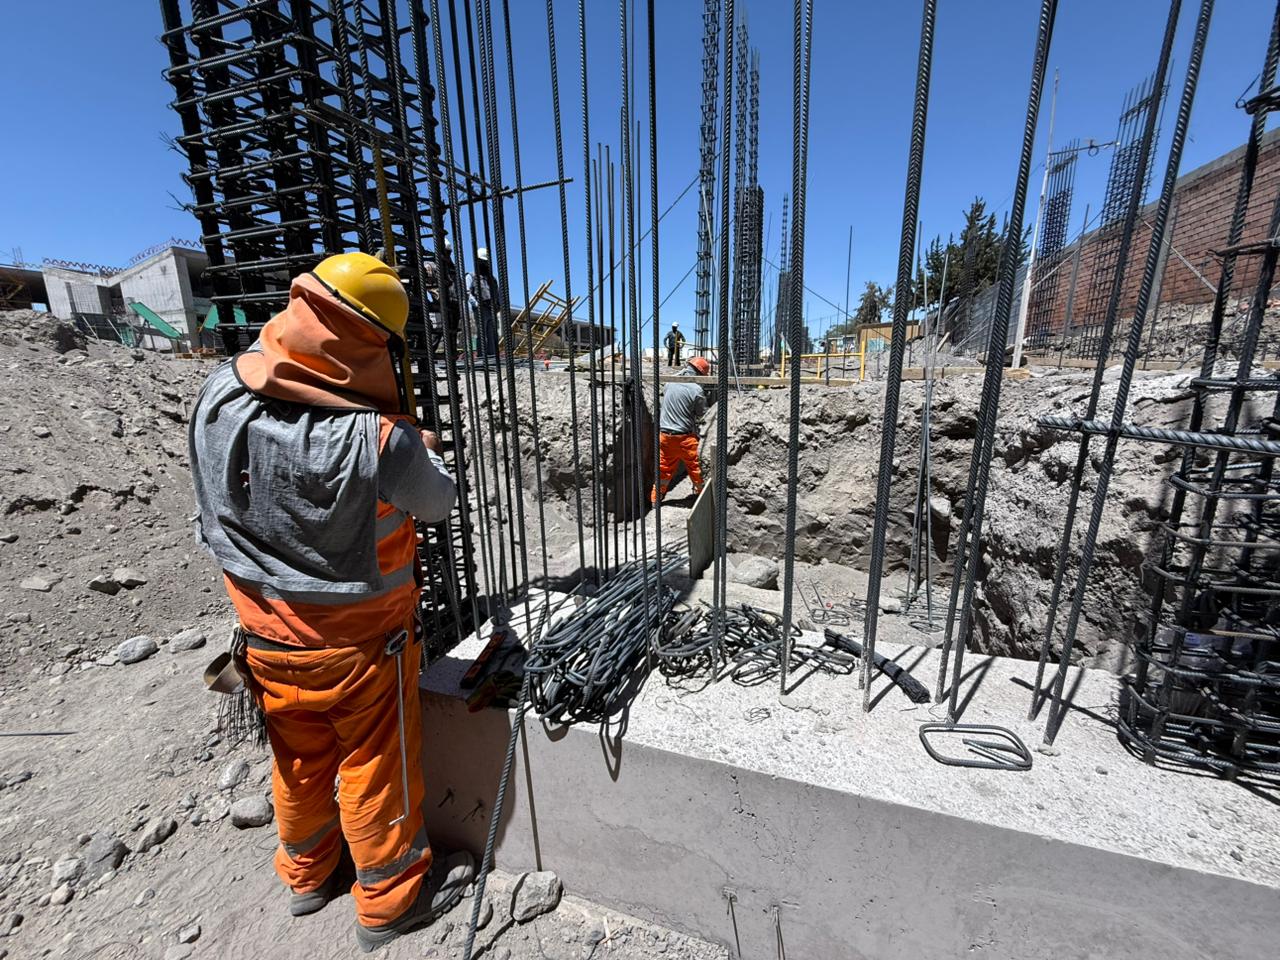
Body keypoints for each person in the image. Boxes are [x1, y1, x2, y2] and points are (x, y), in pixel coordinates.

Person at [188, 252, 474, 953]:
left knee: (298, 759)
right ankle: (390, 900)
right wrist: (416, 449)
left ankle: (307, 875)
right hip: (359, 652)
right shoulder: (381, 440)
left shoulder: (218, 395)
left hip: (265, 641)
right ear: (373, 345)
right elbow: (436, 503)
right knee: (376, 766)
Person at [652, 355, 710, 503]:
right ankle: (701, 497)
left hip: (664, 436)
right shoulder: (696, 390)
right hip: (685, 439)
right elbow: (702, 414)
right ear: (700, 374)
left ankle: (655, 499)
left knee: (663, 469)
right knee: (697, 469)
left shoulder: (669, 382)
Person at [466, 247, 498, 358]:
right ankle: (482, 357)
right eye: (482, 261)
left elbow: (497, 292)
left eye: (486, 262)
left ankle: (492, 357)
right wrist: (476, 304)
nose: (484, 264)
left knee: (492, 334)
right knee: (482, 334)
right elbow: (467, 292)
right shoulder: (471, 276)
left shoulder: (491, 279)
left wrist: (498, 305)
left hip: (491, 309)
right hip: (480, 308)